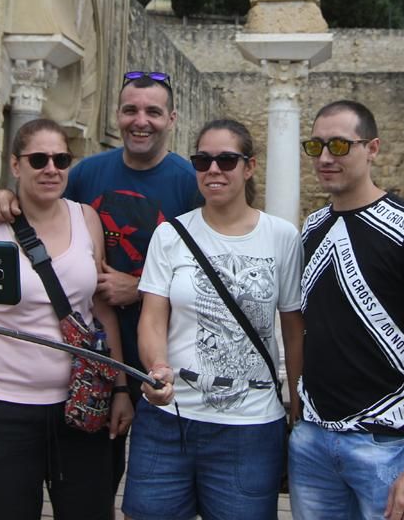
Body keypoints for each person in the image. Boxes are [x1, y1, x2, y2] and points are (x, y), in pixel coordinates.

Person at [0, 71, 201, 492]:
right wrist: (5, 197)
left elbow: (211, 270)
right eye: (130, 109)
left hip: (167, 357)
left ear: (171, 118)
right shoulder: (86, 173)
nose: (141, 120)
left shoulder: (190, 184)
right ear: (116, 115)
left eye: (153, 111)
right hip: (96, 362)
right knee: (97, 478)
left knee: (160, 487)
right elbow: (42, 206)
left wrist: (138, 288)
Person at [0, 118, 134, 519]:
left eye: (61, 159)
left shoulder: (86, 220)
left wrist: (119, 388)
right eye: (39, 159)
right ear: (16, 165)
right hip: (1, 408)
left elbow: (99, 312)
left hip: (80, 406)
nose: (51, 168)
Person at [125, 118, 303, 520]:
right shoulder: (170, 235)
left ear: (250, 166)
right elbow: (152, 319)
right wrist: (157, 367)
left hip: (250, 425)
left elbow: (293, 329)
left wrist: (298, 402)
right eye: (203, 160)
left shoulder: (281, 237)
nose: (213, 170)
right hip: (170, 419)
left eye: (226, 159)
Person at [291, 100, 404, 520]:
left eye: (341, 146)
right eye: (317, 146)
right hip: (313, 438)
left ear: (373, 148)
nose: (326, 158)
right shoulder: (311, 228)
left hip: (385, 443)